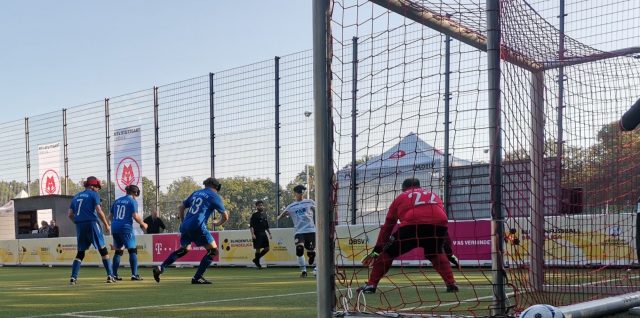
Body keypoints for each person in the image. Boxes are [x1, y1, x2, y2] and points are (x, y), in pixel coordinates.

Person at [358, 178, 458, 294]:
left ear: (403, 189)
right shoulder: (434, 195)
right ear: (419, 186)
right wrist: (449, 253)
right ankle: (451, 284)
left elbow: (387, 227)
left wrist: (377, 251)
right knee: (435, 253)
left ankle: (371, 285)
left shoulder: (401, 197)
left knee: (388, 253)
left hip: (412, 225)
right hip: (438, 226)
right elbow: (442, 224)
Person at [153, 177, 229, 284]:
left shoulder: (196, 193)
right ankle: (197, 277)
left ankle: (161, 267)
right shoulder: (214, 196)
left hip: (185, 226)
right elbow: (225, 216)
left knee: (185, 249)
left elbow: (181, 207)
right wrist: (218, 223)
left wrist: (183, 222)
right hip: (197, 225)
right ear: (216, 187)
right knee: (213, 251)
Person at [67, 176, 116, 285]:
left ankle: (73, 278)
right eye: (98, 187)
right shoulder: (94, 194)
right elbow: (99, 211)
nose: (98, 189)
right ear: (92, 186)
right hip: (92, 223)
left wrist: (77, 222)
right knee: (103, 250)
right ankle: (110, 275)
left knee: (80, 253)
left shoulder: (76, 196)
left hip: (80, 225)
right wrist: (106, 224)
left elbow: (70, 214)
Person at [109, 185, 148, 281]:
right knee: (132, 250)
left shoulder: (117, 201)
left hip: (114, 227)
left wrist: (106, 225)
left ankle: (114, 275)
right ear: (135, 193)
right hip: (125, 227)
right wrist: (143, 223)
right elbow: (135, 215)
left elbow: (110, 216)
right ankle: (134, 275)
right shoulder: (132, 201)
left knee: (118, 250)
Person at [277, 185, 316, 278]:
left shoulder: (310, 202)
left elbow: (318, 210)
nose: (300, 194)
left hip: (310, 230)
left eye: (302, 192)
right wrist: (283, 215)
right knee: (299, 249)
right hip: (299, 231)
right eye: (298, 192)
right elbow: (279, 217)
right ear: (295, 193)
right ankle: (303, 271)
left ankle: (312, 255)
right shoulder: (291, 206)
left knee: (310, 251)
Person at [250, 200, 272, 269]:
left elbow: (267, 226)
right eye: (259, 205)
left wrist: (270, 233)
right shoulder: (254, 215)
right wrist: (253, 234)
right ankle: (258, 264)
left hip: (264, 233)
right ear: (256, 207)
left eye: (261, 205)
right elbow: (251, 226)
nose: (261, 206)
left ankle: (256, 259)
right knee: (258, 249)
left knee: (267, 248)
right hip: (257, 233)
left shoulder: (265, 214)